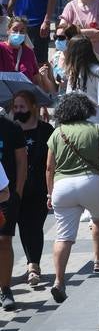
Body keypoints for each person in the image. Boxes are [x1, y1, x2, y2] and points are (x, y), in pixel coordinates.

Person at [46, 93, 99, 303]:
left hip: (62, 187)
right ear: (84, 110)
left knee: (63, 236)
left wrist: (49, 193)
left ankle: (59, 281)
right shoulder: (95, 129)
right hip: (91, 183)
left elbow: (50, 167)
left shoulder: (57, 133)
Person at [12, 90, 53, 287]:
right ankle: (31, 265)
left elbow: (54, 160)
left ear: (32, 107)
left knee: (34, 226)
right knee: (22, 226)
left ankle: (34, 266)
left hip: (39, 187)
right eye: (16, 107)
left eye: (22, 107)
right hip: (16, 187)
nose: (18, 111)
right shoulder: (11, 129)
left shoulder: (45, 130)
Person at [63, 35, 99, 139]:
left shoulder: (96, 71)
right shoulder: (72, 71)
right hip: (76, 123)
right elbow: (69, 99)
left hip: (95, 124)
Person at [0, 108, 26, 310]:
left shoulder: (11, 128)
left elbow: (21, 162)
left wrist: (17, 192)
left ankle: (6, 288)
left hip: (4, 195)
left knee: (4, 241)